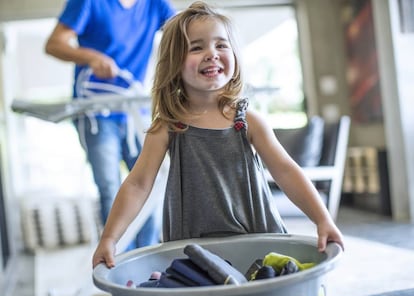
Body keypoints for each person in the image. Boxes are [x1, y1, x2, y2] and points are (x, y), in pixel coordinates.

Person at [92, 1, 344, 268]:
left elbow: (286, 171)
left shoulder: (249, 121)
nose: (211, 53)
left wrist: (322, 219)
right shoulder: (167, 126)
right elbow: (137, 184)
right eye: (197, 47)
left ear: (234, 55)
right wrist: (109, 238)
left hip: (258, 238)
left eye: (221, 45)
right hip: (193, 250)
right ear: (174, 63)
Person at [45, 0, 176, 249]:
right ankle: (117, 259)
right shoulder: (88, 2)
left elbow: (183, 29)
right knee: (110, 188)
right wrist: (91, 56)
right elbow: (54, 44)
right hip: (97, 113)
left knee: (154, 182)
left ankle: (146, 256)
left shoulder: (154, 4)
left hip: (135, 110)